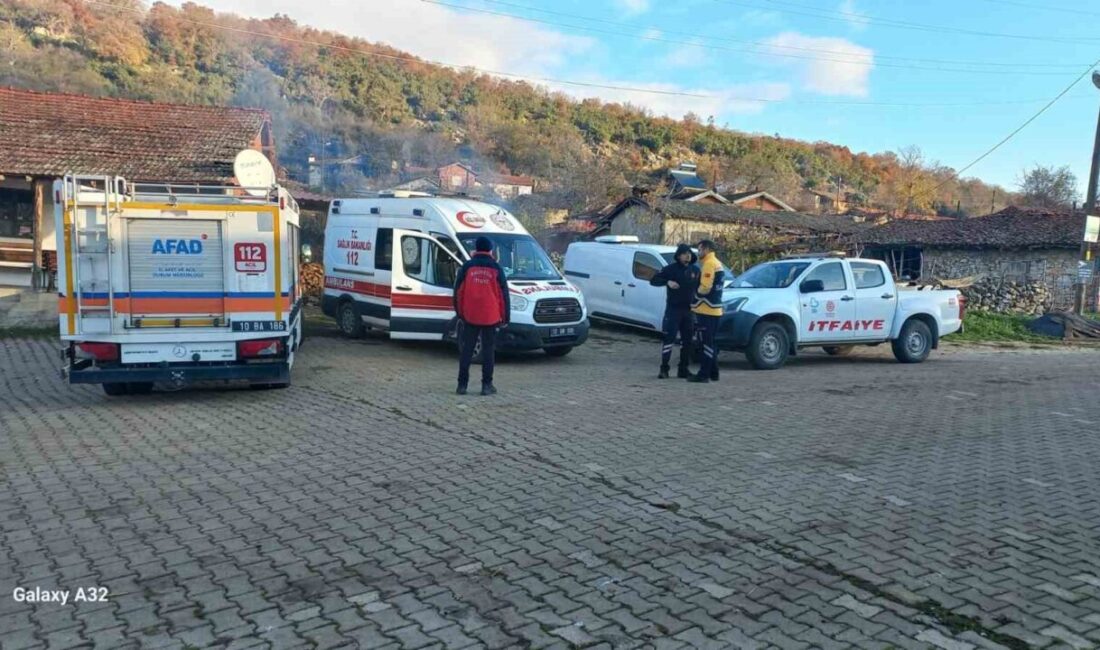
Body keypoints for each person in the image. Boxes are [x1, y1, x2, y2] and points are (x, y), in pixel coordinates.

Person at [453, 236, 510, 396]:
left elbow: (458, 291)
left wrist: (460, 313)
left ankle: (462, 385)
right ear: (490, 250)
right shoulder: (496, 268)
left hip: (470, 315)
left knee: (467, 350)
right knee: (488, 351)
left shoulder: (467, 267)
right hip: (491, 316)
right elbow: (504, 295)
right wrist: (505, 318)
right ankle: (486, 385)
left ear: (476, 249)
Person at [649, 243, 700, 379]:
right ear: (678, 256)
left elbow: (701, 288)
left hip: (689, 310)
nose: (687, 256)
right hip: (673, 309)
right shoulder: (670, 269)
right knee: (669, 338)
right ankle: (664, 368)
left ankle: (683, 369)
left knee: (687, 341)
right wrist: (668, 282)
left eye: (689, 254)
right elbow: (654, 280)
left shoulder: (695, 270)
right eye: (684, 253)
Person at [688, 240, 725, 383]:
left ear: (706, 249)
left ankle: (703, 375)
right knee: (711, 343)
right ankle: (714, 373)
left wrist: (695, 296)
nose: (698, 252)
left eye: (700, 249)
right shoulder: (717, 263)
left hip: (707, 310)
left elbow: (705, 287)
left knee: (706, 344)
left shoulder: (709, 264)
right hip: (714, 310)